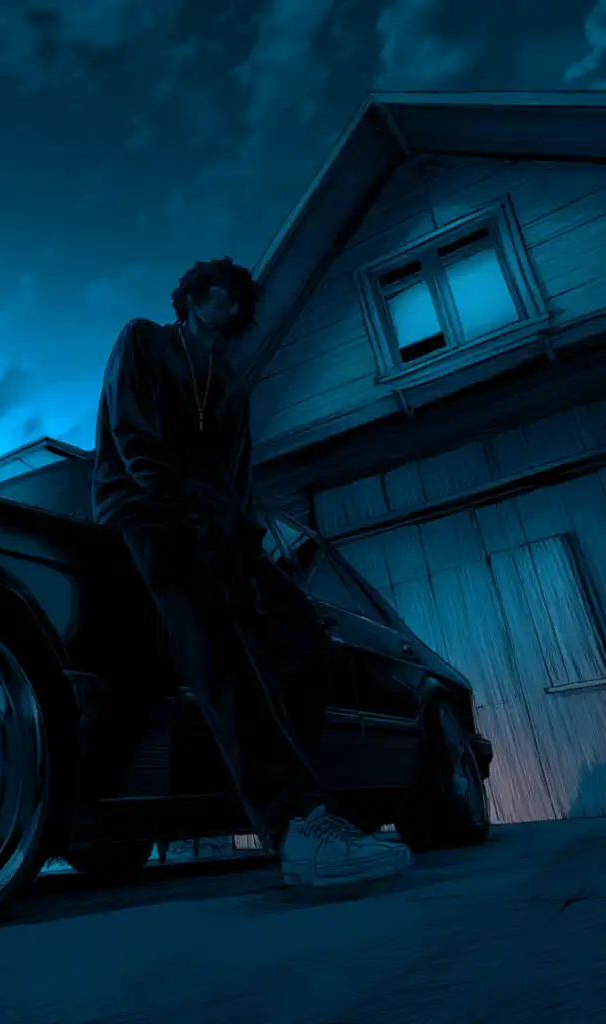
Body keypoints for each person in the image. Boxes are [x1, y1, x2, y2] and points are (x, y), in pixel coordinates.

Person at [92, 256, 413, 887]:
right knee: (215, 630)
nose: (226, 301)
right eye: (216, 290)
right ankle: (296, 823)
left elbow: (236, 477)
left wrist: (241, 543)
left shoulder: (231, 384)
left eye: (236, 296)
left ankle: (297, 797)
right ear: (191, 296)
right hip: (146, 513)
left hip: (217, 528)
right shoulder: (144, 341)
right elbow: (133, 435)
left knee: (301, 633)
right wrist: (183, 511)